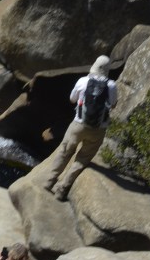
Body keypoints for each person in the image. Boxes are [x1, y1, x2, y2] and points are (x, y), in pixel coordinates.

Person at [42, 55, 117, 201]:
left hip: (78, 125)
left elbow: (72, 99)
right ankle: (62, 189)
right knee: (82, 159)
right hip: (98, 129)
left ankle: (49, 181)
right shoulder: (112, 85)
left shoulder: (83, 81)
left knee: (65, 152)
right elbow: (113, 105)